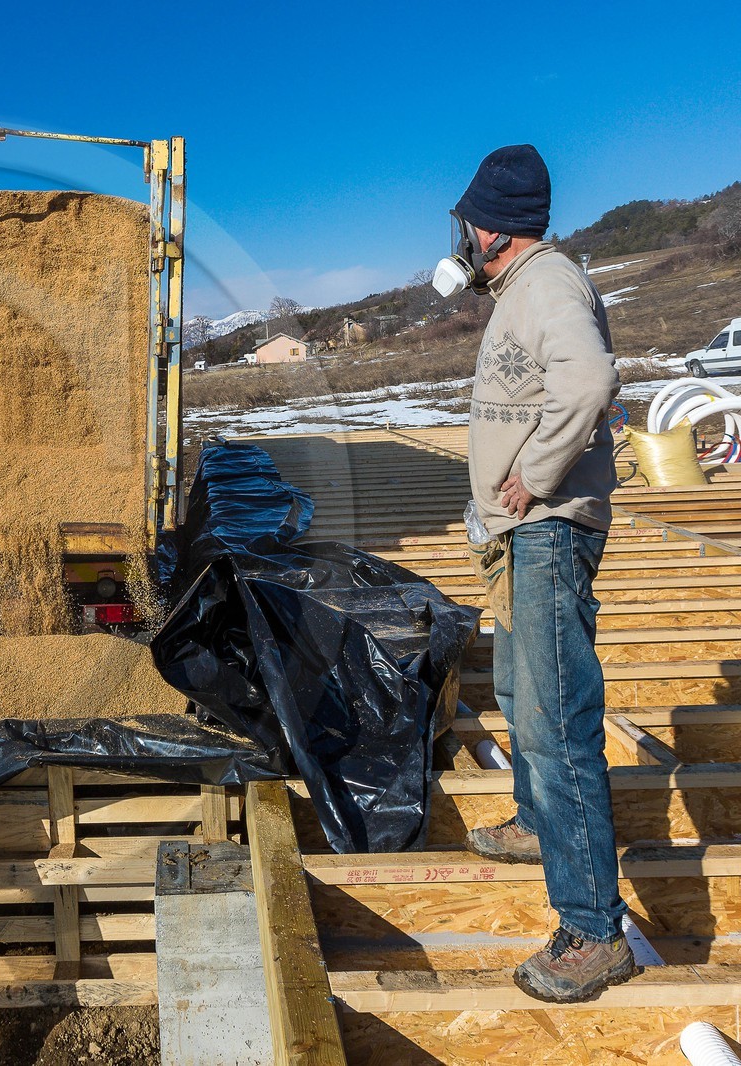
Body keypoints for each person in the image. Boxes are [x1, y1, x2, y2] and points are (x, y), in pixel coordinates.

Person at [438, 145, 630, 1003]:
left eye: (469, 226)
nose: (462, 242)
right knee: (520, 692)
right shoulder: (520, 291)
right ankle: (535, 820)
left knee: (556, 722)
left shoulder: (549, 282)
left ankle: (593, 931)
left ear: (492, 228)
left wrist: (538, 474)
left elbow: (590, 380)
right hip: (525, 536)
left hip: (549, 531)